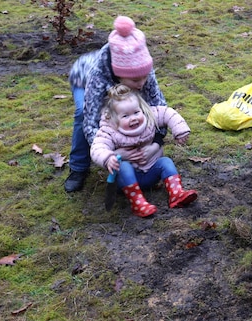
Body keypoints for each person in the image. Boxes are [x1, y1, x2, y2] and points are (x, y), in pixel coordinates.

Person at [64, 16, 167, 193]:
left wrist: (156, 144)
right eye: (136, 80)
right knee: (82, 113)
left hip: (118, 78)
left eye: (144, 77)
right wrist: (112, 154)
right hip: (83, 77)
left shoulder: (143, 71)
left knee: (135, 108)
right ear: (119, 76)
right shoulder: (98, 75)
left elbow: (159, 108)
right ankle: (78, 167)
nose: (142, 83)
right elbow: (90, 123)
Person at [90, 84, 198, 217]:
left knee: (165, 161)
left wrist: (180, 130)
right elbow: (98, 147)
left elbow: (167, 113)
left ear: (142, 109)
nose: (133, 118)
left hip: (150, 174)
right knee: (124, 167)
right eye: (125, 116)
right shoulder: (109, 130)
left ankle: (177, 194)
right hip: (125, 181)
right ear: (113, 118)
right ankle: (138, 203)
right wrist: (108, 158)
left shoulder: (149, 116)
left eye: (136, 112)